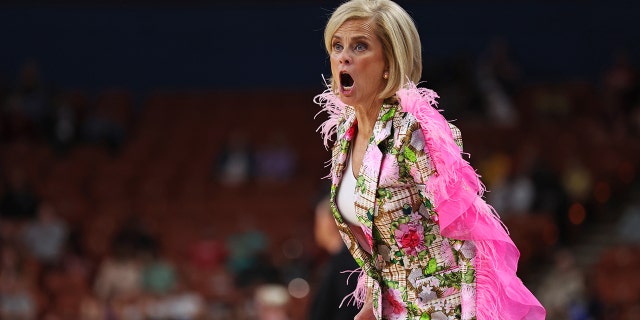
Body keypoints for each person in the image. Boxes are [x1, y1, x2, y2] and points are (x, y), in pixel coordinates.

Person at [313, 1, 546, 319]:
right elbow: (376, 241)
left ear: (389, 62)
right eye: (337, 46)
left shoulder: (414, 130)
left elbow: (467, 236)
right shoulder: (344, 132)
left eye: (360, 46)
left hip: (442, 310)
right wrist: (371, 303)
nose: (343, 56)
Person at [309, 194, 360, 320]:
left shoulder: (345, 263)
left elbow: (346, 311)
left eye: (317, 221)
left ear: (330, 223)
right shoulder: (342, 259)